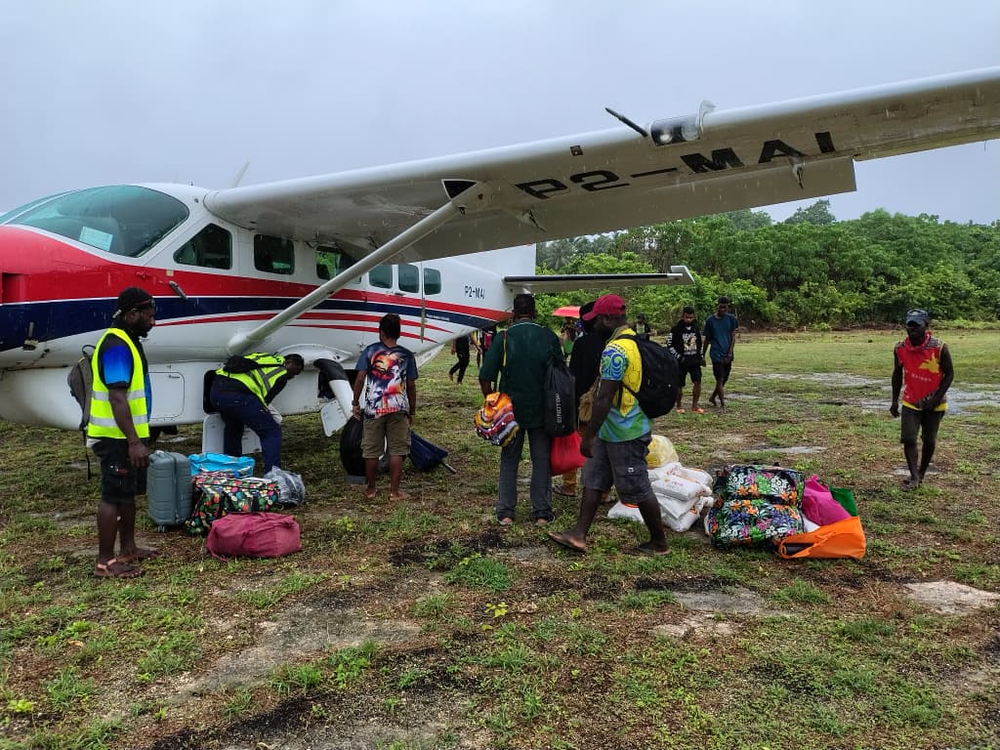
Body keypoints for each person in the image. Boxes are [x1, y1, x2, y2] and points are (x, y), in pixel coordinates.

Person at [548, 294, 670, 556]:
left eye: (596, 321)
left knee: (637, 485)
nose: (592, 327)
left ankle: (659, 543)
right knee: (592, 479)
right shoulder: (632, 342)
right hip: (610, 429)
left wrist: (588, 434)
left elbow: (604, 398)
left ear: (607, 319)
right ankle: (579, 535)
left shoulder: (615, 351)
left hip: (626, 430)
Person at [89, 287, 159, 578]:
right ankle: (105, 562)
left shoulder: (128, 340)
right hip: (116, 438)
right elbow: (118, 397)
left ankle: (128, 548)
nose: (152, 322)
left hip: (129, 437)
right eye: (148, 315)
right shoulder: (117, 344)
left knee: (127, 495)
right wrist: (133, 442)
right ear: (132, 314)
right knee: (112, 497)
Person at [479, 293, 563, 526]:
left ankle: (506, 513)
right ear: (534, 312)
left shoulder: (504, 338)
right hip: (542, 410)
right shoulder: (548, 336)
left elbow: (485, 375)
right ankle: (542, 514)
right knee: (541, 460)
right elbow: (561, 373)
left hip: (510, 412)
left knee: (509, 460)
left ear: (513, 313)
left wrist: (492, 400)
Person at [352, 314, 418, 501]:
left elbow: (360, 378)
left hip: (374, 408)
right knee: (397, 450)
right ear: (399, 333)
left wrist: (355, 402)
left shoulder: (370, 351)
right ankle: (394, 492)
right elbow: (411, 385)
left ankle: (371, 489)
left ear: (381, 333)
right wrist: (412, 409)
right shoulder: (406, 355)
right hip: (398, 408)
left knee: (371, 450)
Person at [210, 351, 304, 473]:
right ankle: (273, 473)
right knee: (271, 431)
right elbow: (266, 400)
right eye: (296, 370)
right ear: (289, 363)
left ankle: (231, 469)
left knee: (233, 429)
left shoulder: (264, 357)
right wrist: (263, 411)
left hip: (216, 394)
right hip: (238, 396)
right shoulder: (282, 373)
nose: (293, 376)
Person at [890, 309, 953, 491]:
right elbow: (897, 374)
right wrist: (894, 400)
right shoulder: (900, 348)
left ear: (926, 326)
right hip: (911, 400)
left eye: (917, 325)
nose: (913, 329)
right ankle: (915, 477)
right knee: (909, 438)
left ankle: (922, 473)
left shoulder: (939, 347)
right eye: (910, 325)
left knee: (929, 439)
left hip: (935, 401)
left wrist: (936, 397)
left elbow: (949, 374)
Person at [552, 300, 606, 498]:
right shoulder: (612, 341)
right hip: (607, 403)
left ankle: (569, 485)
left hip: (583, 403)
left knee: (576, 441)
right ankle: (603, 491)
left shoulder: (583, 343)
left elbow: (573, 375)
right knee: (602, 447)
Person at [702, 296, 739, 410]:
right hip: (716, 354)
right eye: (721, 307)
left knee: (725, 379)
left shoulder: (731, 319)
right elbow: (707, 339)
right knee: (720, 378)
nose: (723, 309)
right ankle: (722, 403)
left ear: (728, 307)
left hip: (727, 352)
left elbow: (733, 337)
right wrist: (702, 355)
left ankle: (713, 397)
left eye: (725, 307)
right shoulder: (710, 321)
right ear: (717, 305)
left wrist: (730, 353)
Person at [669, 306, 705, 414]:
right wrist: (679, 357)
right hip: (681, 362)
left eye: (691, 317)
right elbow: (669, 345)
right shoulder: (675, 329)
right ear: (682, 316)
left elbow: (700, 344)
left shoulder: (696, 328)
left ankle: (695, 406)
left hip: (694, 361)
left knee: (698, 381)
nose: (688, 320)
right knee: (679, 385)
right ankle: (679, 406)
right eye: (686, 317)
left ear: (693, 317)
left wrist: (701, 356)